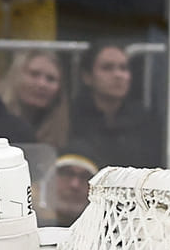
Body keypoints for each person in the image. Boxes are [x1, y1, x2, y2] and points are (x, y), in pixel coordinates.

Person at [65, 39, 161, 169]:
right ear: (87, 76)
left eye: (123, 68)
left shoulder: (145, 121)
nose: (118, 75)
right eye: (107, 68)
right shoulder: (69, 118)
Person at [1, 49, 68, 152]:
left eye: (50, 79)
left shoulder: (64, 129)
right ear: (16, 76)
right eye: (34, 74)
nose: (42, 84)